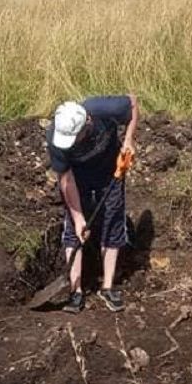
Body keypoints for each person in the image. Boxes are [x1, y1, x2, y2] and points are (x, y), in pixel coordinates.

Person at [46, 93, 139, 313]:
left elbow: (133, 103)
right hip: (78, 177)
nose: (69, 145)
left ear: (86, 125)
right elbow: (66, 180)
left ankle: (107, 287)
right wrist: (78, 218)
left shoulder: (104, 109)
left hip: (110, 170)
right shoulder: (55, 138)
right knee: (73, 229)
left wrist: (128, 140)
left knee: (113, 219)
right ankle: (75, 291)